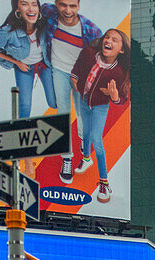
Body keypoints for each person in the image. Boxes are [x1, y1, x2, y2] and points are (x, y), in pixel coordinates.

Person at [42, 0, 102, 183]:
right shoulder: (49, 13)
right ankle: (66, 158)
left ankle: (85, 152)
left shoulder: (92, 29)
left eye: (72, 6)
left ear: (79, 6)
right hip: (58, 70)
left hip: (80, 75)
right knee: (62, 114)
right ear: (56, 4)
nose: (67, 10)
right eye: (63, 5)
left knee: (83, 115)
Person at [69, 28, 130, 204]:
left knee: (97, 139)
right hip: (84, 100)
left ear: (121, 49)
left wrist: (113, 95)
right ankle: (86, 158)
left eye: (114, 39)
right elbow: (75, 73)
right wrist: (79, 88)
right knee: (85, 132)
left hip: (100, 105)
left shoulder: (118, 72)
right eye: (107, 37)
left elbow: (122, 100)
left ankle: (104, 182)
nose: (108, 40)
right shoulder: (88, 54)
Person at [0, 0, 57, 118]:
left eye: (34, 4)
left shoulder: (45, 24)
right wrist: (16, 62)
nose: (31, 9)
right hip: (24, 69)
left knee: (53, 102)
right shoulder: (9, 32)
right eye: (25, 4)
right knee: (25, 107)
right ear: (17, 10)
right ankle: (21, 133)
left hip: (43, 65)